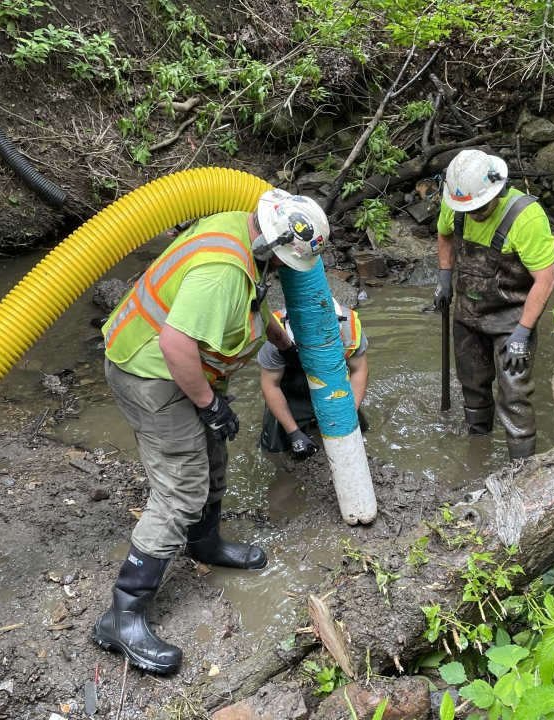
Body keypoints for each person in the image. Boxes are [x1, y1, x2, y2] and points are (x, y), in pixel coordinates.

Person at [92, 188, 329, 675]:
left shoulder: (241, 229)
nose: (283, 270)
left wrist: (284, 346)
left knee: (212, 458)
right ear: (269, 243)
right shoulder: (222, 272)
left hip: (177, 369)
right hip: (152, 371)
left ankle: (206, 544)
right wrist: (210, 403)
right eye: (283, 261)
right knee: (181, 487)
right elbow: (177, 343)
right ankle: (122, 615)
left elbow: (252, 303)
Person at [433, 148, 554, 460]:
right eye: (469, 209)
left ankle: (522, 469)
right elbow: (444, 235)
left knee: (515, 394)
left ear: (498, 189)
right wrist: (445, 277)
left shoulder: (526, 217)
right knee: (471, 382)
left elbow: (546, 280)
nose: (474, 213)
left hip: (512, 319)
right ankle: (478, 447)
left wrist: (523, 332)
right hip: (467, 312)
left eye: (480, 207)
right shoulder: (457, 203)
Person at [257, 298, 369, 459]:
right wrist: (294, 433)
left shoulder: (349, 327)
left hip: (334, 385)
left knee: (359, 431)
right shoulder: (275, 333)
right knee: (274, 448)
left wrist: (348, 413)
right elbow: (270, 386)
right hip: (290, 392)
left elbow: (360, 371)